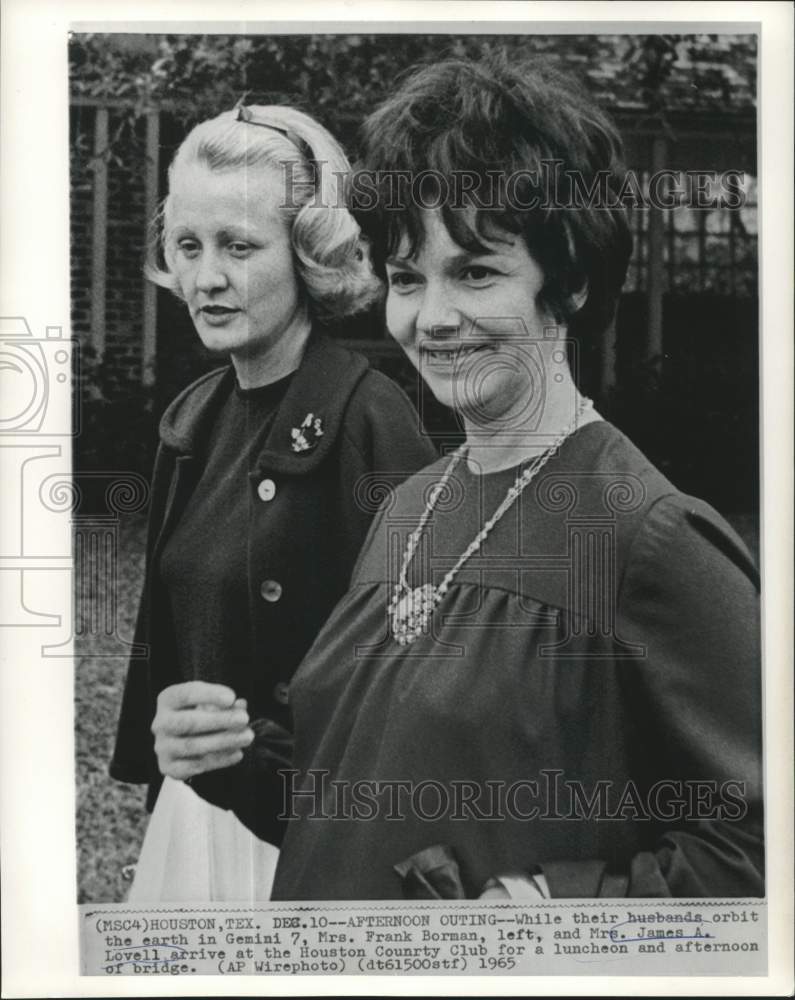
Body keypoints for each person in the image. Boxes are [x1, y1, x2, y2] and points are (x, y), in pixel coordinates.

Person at [269, 57, 763, 900]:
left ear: (565, 282)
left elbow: (754, 849)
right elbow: (364, 782)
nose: (430, 318)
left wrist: (551, 909)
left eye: (475, 272)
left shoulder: (647, 538)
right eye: (405, 278)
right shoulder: (409, 507)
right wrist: (235, 746)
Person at [109, 103, 436, 900]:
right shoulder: (194, 418)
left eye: (239, 246)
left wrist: (258, 760)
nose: (205, 277)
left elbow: (419, 680)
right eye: (187, 245)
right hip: (195, 822)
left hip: (313, 843)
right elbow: (167, 650)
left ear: (310, 256)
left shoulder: (371, 419)